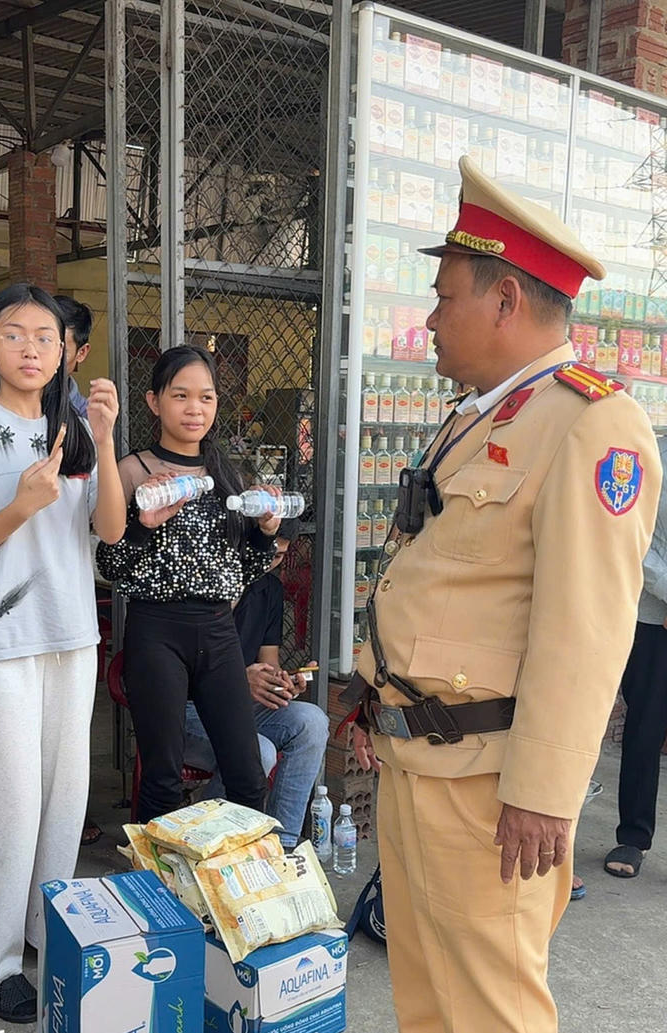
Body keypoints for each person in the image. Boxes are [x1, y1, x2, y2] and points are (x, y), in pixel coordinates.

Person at [346, 155, 661, 1033]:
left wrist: (546, 793)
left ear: (505, 301)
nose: (432, 317)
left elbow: (589, 628)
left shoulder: (594, 423)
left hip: (491, 789)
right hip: (422, 760)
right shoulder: (484, 411)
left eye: (445, 297)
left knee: (490, 1010)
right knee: (427, 998)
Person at [0, 283, 124, 1024]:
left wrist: (103, 439)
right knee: (7, 801)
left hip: (70, 633)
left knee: (62, 797)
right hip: (0, 639)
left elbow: (109, 530)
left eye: (47, 336)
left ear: (69, 351)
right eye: (15, 335)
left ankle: (48, 932)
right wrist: (18, 506)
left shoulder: (74, 427)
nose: (32, 349)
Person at [96, 345, 281, 827]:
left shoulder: (227, 475)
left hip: (218, 632)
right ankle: (152, 890)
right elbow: (110, 565)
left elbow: (243, 568)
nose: (194, 409)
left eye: (206, 397)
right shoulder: (132, 470)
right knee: (161, 774)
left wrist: (265, 533)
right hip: (156, 630)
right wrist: (144, 525)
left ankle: (232, 879)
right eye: (181, 396)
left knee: (247, 771)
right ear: (155, 401)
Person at [183, 525, 328, 848]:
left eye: (278, 556)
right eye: (266, 550)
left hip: (239, 707)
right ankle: (203, 844)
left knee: (311, 721)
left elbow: (269, 662)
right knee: (256, 749)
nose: (268, 561)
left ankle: (282, 844)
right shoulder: (203, 580)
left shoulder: (269, 590)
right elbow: (178, 668)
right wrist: (236, 679)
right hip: (189, 707)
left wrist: (283, 682)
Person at [605, 431, 667, 880]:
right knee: (646, 724)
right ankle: (633, 835)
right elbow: (630, 534)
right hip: (652, 615)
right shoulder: (649, 454)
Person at [54, 294, 92, 419]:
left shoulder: (87, 418)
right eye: (43, 342)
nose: (50, 358)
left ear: (81, 353)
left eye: (62, 351)